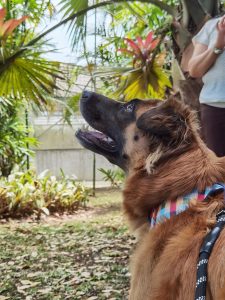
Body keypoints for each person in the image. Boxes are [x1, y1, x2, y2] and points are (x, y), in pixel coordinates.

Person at [189, 15, 225, 157]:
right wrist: (218, 46)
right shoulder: (211, 27)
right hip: (215, 110)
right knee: (218, 168)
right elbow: (194, 70)